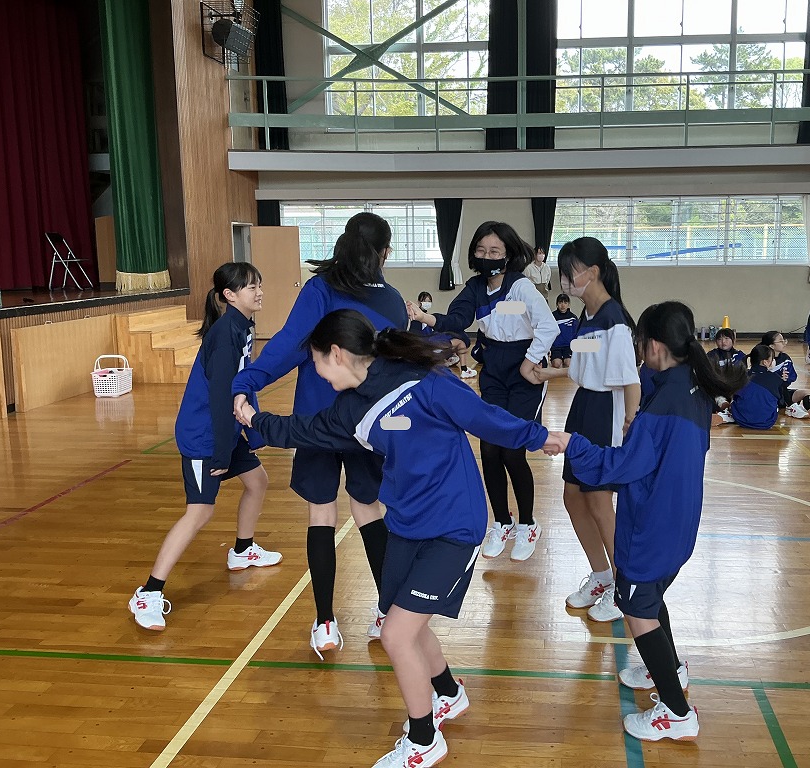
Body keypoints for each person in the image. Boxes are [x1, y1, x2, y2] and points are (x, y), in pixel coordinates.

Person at [236, 309, 565, 768]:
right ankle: (448, 693)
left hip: (455, 525)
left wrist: (540, 436)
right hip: (407, 524)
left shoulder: (422, 379)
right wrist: (255, 418)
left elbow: (483, 417)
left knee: (395, 635)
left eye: (318, 363)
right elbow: (302, 431)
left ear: (337, 354)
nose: (318, 374)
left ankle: (424, 740)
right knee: (403, 622)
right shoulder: (350, 410)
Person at [553, 301, 747, 743]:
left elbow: (621, 467)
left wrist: (572, 445)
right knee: (651, 598)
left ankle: (678, 714)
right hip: (679, 520)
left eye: (641, 342)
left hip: (652, 528)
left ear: (655, 346)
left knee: (637, 608)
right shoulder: (691, 386)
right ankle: (670, 669)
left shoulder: (663, 406)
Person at [232, 211, 408, 658]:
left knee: (321, 514)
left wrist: (247, 381)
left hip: (316, 424)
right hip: (366, 423)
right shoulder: (391, 300)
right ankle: (387, 612)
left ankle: (326, 622)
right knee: (368, 509)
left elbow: (289, 344)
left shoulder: (321, 288)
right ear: (384, 253)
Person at [129, 263, 279, 631]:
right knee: (199, 512)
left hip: (224, 429)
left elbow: (244, 383)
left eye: (259, 284)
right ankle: (148, 592)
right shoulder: (226, 334)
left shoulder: (242, 326)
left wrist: (254, 433)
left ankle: (242, 550)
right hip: (205, 435)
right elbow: (219, 398)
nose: (259, 291)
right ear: (230, 295)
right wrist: (223, 451)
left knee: (257, 482)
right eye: (251, 287)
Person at [405, 221, 559, 562]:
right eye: (481, 250)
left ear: (508, 255)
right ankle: (502, 522)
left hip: (524, 372)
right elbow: (458, 317)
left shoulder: (521, 287)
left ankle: (528, 524)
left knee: (512, 451)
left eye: (494, 251)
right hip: (494, 371)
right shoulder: (475, 287)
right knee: (489, 450)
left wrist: (529, 361)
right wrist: (427, 319)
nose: (487, 257)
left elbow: (548, 327)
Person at [534, 237, 641, 623]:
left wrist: (629, 421)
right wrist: (548, 373)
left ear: (592, 272)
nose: (565, 280)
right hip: (582, 407)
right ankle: (601, 576)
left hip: (607, 410)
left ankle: (625, 586)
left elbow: (630, 379)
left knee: (598, 501)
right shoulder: (587, 318)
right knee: (573, 497)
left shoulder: (614, 319)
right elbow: (583, 367)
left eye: (570, 272)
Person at [759, 331, 810, 419]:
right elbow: (759, 379)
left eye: (784, 340)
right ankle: (791, 408)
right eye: (780, 341)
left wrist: (786, 379)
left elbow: (793, 376)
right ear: (772, 346)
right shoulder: (763, 360)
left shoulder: (785, 358)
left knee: (807, 392)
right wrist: (777, 379)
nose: (784, 343)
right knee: (780, 385)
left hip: (783, 395)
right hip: (768, 396)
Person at [409, 291, 476, 379]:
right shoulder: (417, 319)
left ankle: (453, 361)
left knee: (458, 342)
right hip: (428, 345)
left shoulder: (427, 317)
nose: (427, 303)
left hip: (431, 342)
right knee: (460, 343)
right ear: (419, 302)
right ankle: (463, 369)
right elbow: (416, 337)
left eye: (429, 301)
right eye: (425, 301)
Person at [728, 345, 788, 430]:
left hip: (740, 419)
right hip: (767, 422)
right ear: (765, 362)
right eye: (772, 359)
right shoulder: (776, 378)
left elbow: (734, 396)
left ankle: (726, 414)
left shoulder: (741, 376)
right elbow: (781, 402)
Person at [550, 293, 578, 368]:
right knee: (556, 364)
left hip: (568, 347)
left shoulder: (573, 318)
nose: (563, 305)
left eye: (565, 303)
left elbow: (576, 334)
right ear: (557, 304)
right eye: (560, 302)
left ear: (568, 304)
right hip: (556, 347)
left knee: (569, 363)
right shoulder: (552, 317)